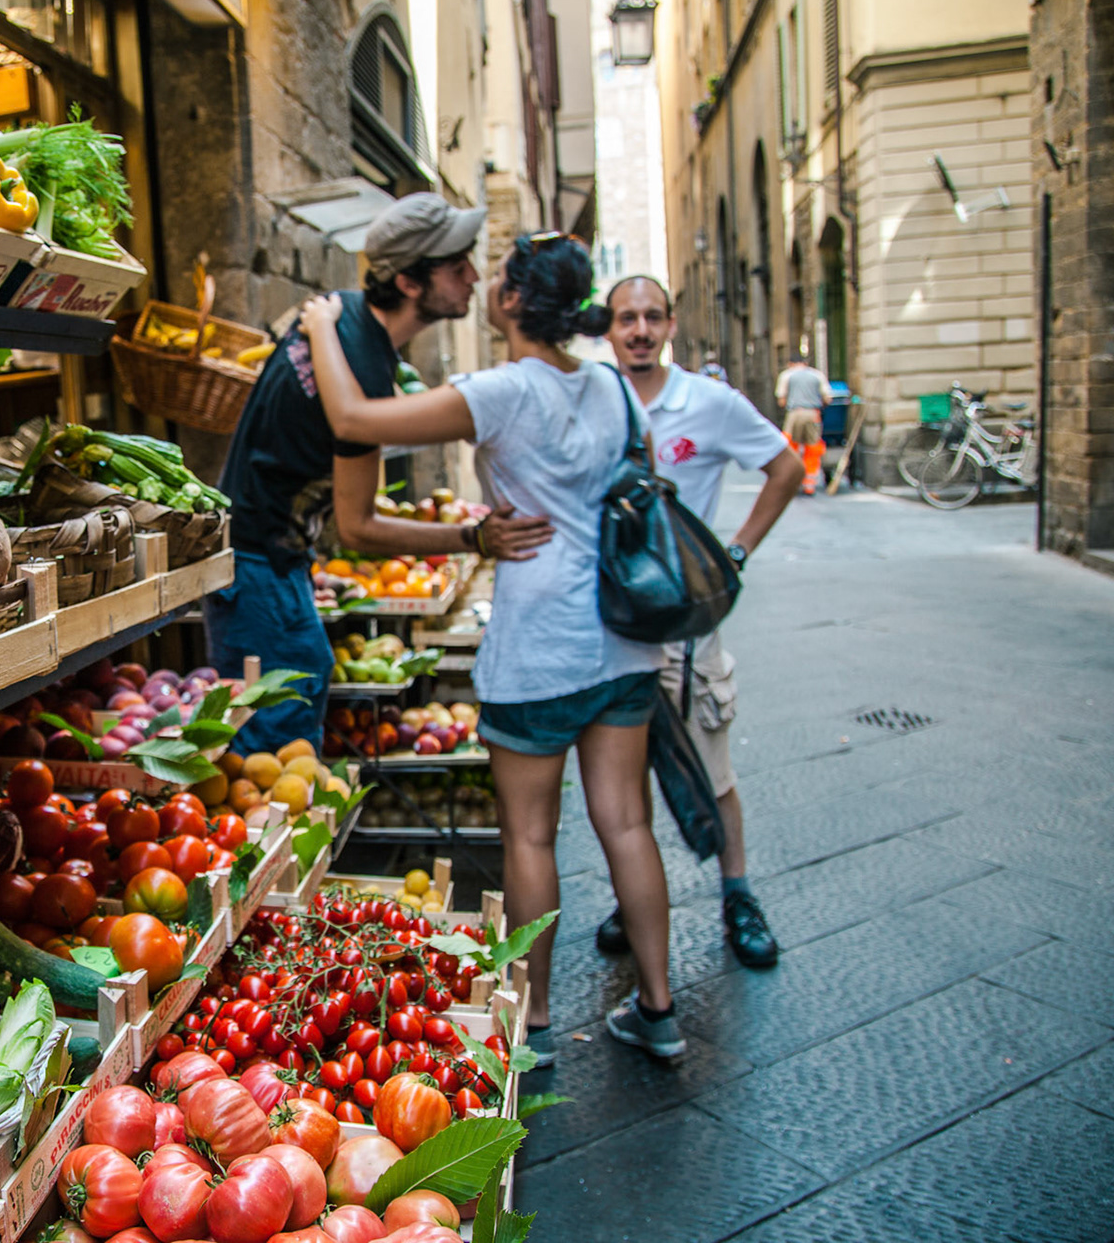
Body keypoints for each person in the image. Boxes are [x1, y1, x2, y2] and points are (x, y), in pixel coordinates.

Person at [300, 233, 684, 1063]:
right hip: (620, 642)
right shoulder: (615, 387)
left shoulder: (502, 391)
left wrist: (323, 326)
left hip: (538, 648)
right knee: (627, 824)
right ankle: (659, 1010)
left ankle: (534, 1021)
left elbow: (352, 419)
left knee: (530, 839)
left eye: (496, 278)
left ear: (512, 302)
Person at [206, 193, 551, 751]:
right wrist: (474, 538)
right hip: (259, 571)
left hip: (263, 561)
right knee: (274, 749)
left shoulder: (340, 317)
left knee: (281, 721)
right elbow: (359, 527)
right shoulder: (360, 362)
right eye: (456, 265)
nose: (471, 276)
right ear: (410, 282)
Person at [598, 275, 803, 968]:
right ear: (609, 328)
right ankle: (634, 898)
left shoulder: (709, 402)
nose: (640, 330)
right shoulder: (597, 399)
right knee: (625, 781)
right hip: (614, 629)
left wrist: (734, 553)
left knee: (711, 769)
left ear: (671, 325)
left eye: (652, 317)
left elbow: (785, 467)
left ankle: (737, 894)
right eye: (627, 318)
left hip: (687, 628)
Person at [776, 354, 833, 495]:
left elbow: (781, 401)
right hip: (812, 413)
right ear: (805, 363)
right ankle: (809, 485)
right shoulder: (817, 375)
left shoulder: (786, 375)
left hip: (794, 413)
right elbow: (828, 398)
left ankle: (792, 482)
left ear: (790, 364)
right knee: (812, 448)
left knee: (790, 448)